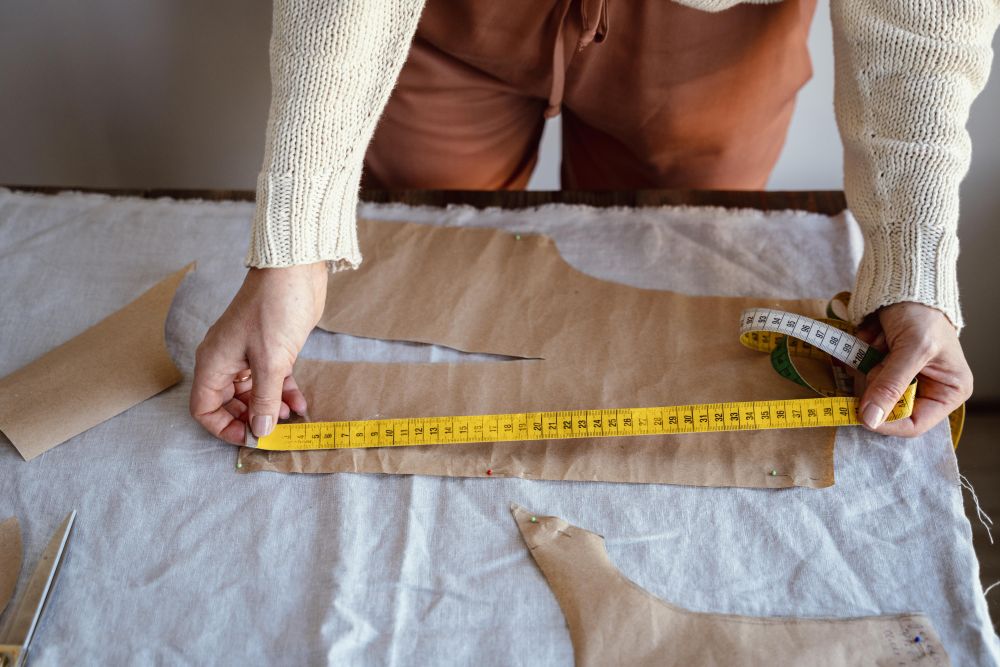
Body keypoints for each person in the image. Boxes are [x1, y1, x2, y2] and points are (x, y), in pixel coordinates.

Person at [191, 0, 999, 445]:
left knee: (675, 294)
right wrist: (294, 244)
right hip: (451, 19)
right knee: (420, 260)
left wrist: (912, 261)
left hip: (714, 37)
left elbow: (924, 17)